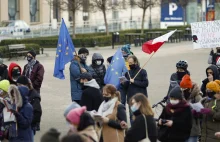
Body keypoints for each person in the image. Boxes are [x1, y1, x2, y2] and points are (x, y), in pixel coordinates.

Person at [180, 75, 202, 142]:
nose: (183, 90)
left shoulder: (197, 97)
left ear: (189, 88)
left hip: (193, 129)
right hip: (183, 129)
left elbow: (201, 113)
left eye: (184, 88)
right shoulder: (182, 95)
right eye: (182, 89)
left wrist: (190, 109)